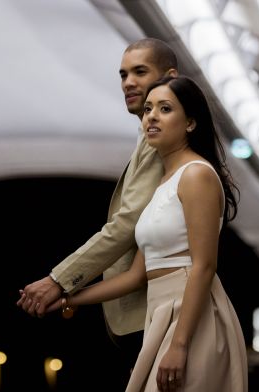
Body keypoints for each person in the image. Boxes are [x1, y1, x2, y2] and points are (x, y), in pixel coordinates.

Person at [45, 75, 247, 391]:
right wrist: (69, 299)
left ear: (190, 123)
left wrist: (179, 344)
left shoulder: (196, 175)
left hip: (192, 316)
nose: (151, 116)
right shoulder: (164, 184)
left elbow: (204, 266)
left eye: (165, 109)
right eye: (148, 108)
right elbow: (136, 276)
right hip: (160, 311)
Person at [16, 38, 179, 364]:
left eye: (140, 72)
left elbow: (128, 223)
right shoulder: (149, 140)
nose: (128, 82)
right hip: (144, 315)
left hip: (157, 316)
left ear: (170, 77)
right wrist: (68, 294)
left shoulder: (162, 146)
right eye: (123, 74)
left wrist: (59, 281)